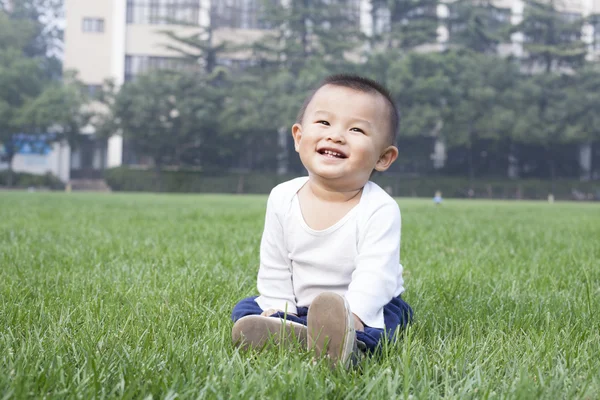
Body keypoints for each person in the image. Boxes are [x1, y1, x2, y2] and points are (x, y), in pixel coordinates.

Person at [231, 74, 413, 368]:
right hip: (300, 302)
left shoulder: (380, 208)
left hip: (360, 306)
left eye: (356, 129)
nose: (336, 135)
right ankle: (293, 332)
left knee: (388, 323)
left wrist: (353, 316)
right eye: (324, 123)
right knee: (248, 308)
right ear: (299, 137)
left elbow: (376, 276)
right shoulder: (282, 197)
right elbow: (275, 263)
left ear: (383, 157)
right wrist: (279, 308)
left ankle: (348, 345)